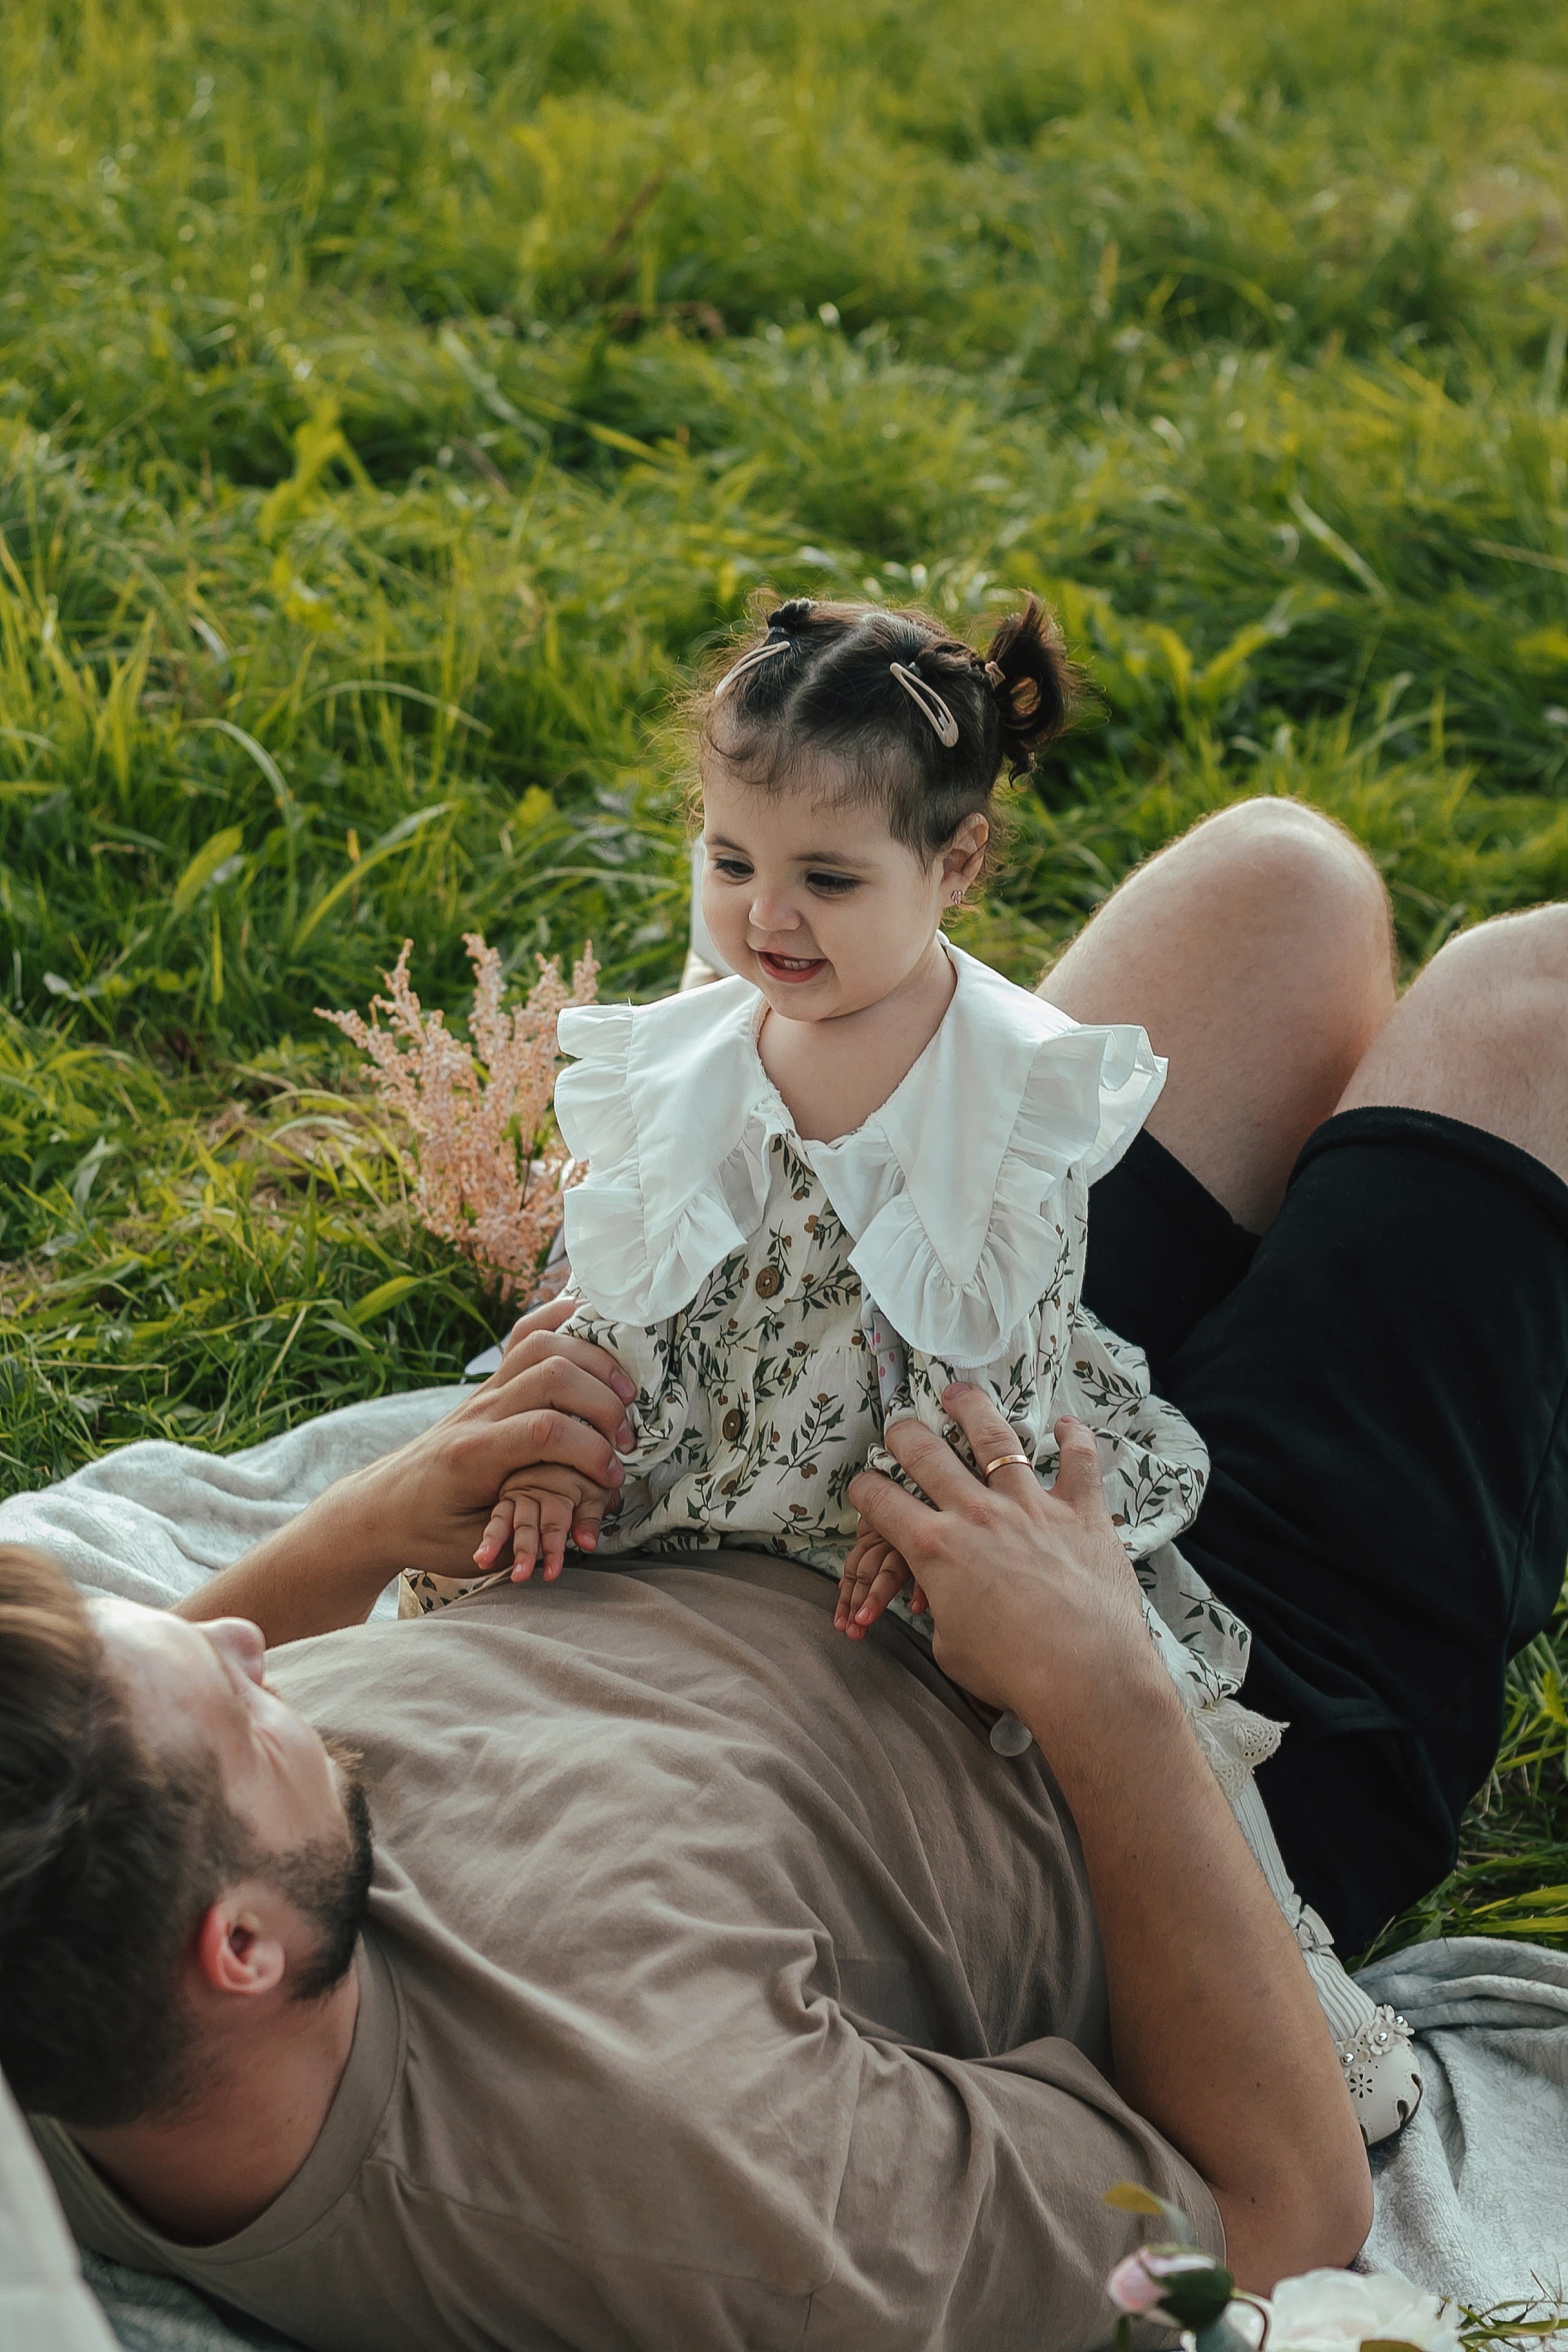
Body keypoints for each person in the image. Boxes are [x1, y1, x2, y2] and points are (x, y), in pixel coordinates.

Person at [402, 594, 1415, 2137]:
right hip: (708, 1471)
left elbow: (995, 1349)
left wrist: (921, 1497)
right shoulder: (696, 1045)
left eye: (826, 879)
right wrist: (567, 1429)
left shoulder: (996, 1085)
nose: (766, 921)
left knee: (1102, 1708)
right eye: (730, 863)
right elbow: (633, 1275)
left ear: (953, 867)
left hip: (903, 1477)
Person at [1, 1336, 1372, 2352]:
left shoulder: (81, 2000)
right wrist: (1103, 1679)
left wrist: (370, 1516)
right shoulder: (720, 2195)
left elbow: (132, 1763)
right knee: (1511, 1000)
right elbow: (1279, 2215)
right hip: (1149, 1682)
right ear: (241, 1949)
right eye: (242, 1708)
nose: (254, 1645)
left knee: (1235, 942)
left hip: (818, 1448)